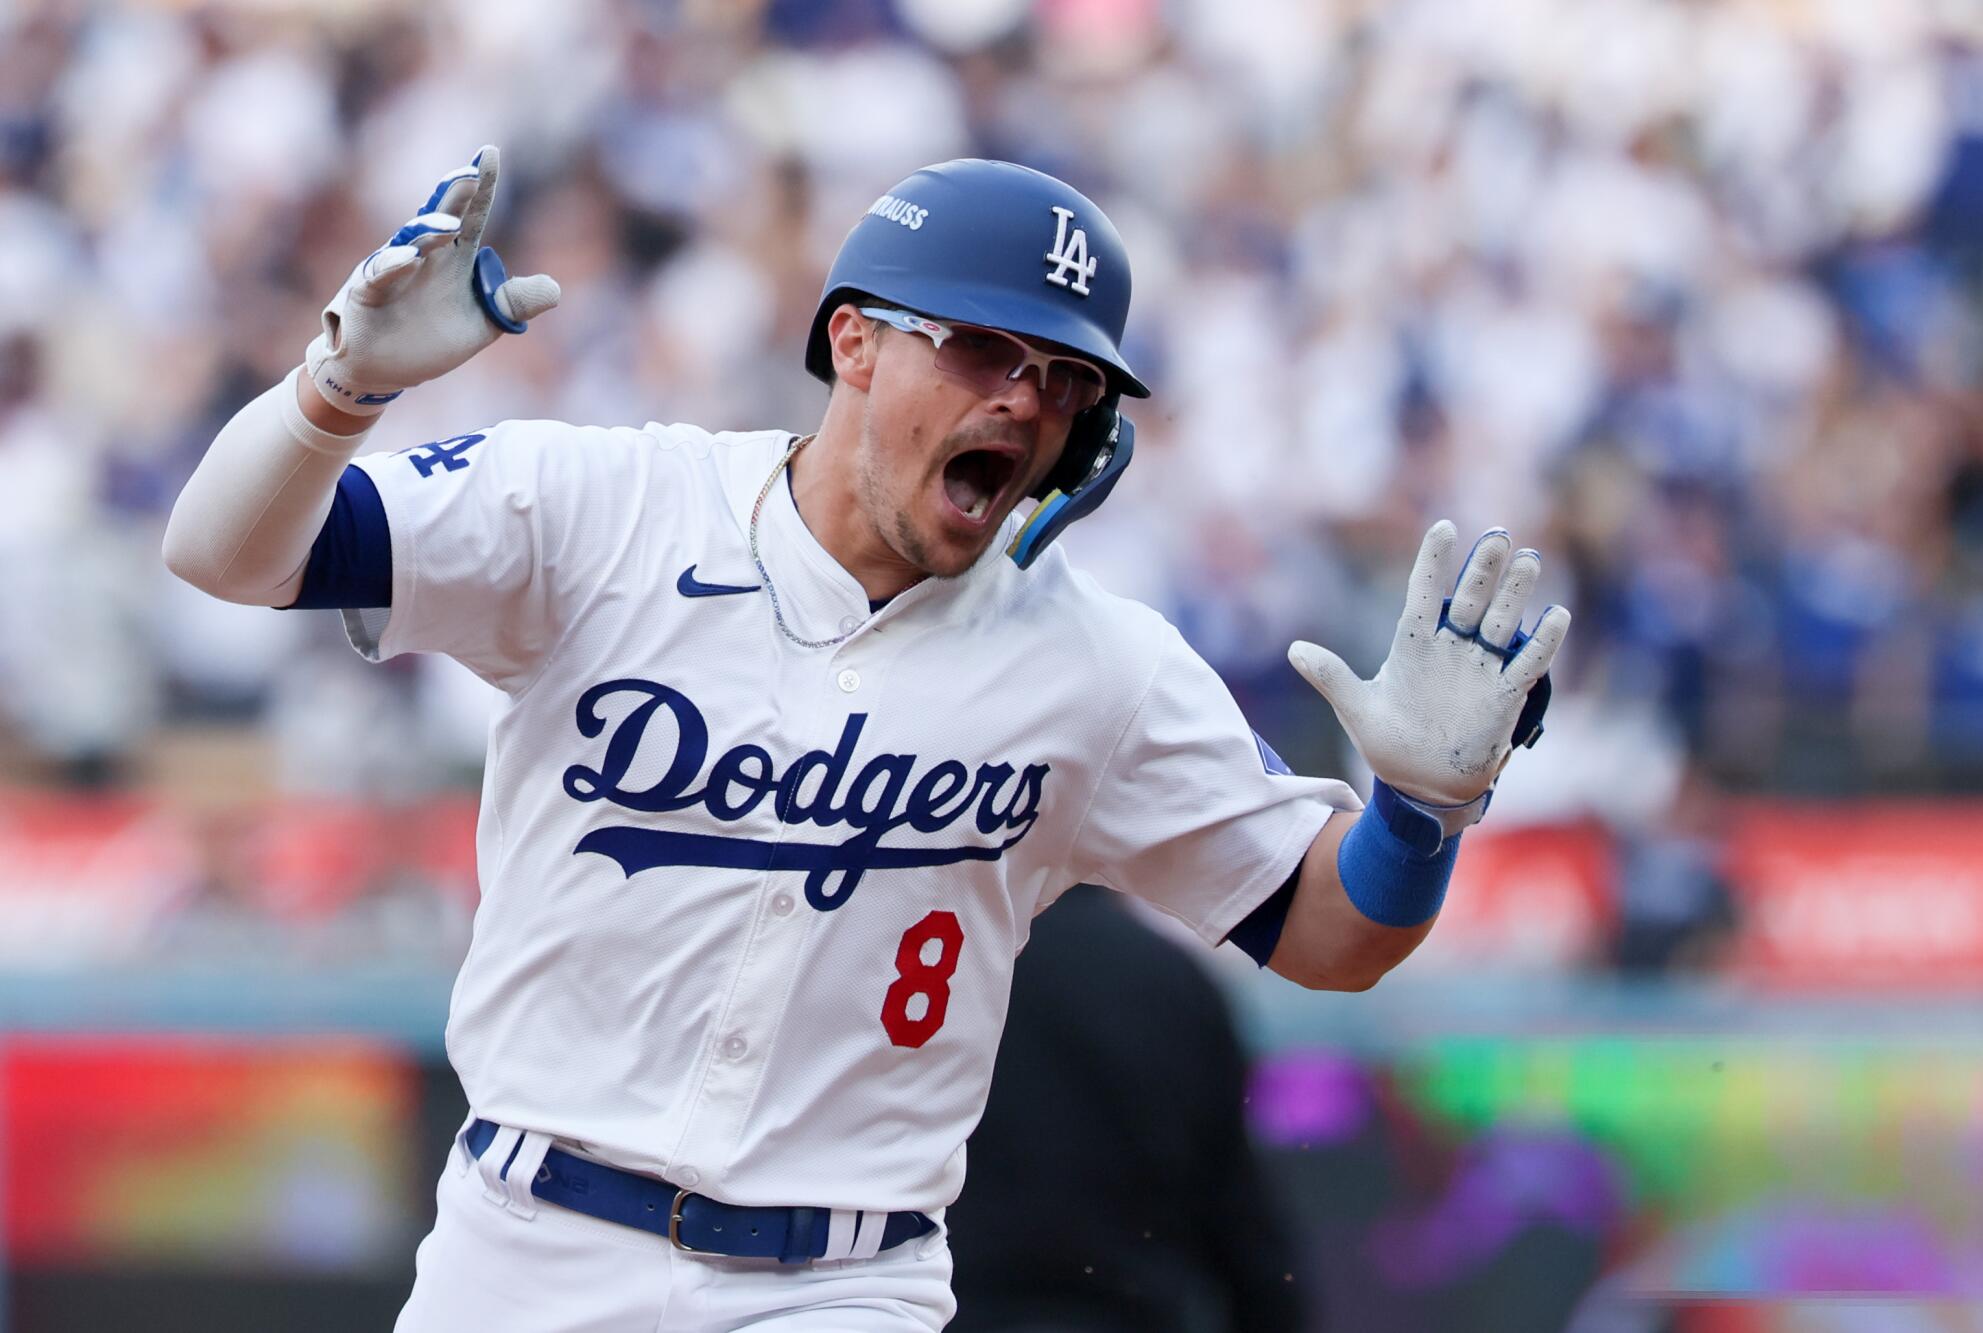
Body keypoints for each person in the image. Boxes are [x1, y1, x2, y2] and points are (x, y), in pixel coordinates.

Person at [162, 147, 1568, 1333]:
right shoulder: (605, 508)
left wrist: (1418, 817)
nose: (1023, 399)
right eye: (980, 349)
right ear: (855, 339)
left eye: (1064, 379)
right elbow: (224, 552)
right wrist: (331, 396)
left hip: (843, 1282)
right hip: (525, 1249)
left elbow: (1332, 936)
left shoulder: (1096, 662)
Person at [947, 884, 1305, 1333]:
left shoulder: (940, 970)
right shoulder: (1173, 980)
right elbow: (1245, 1230)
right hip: (1127, 1311)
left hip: (950, 1310)